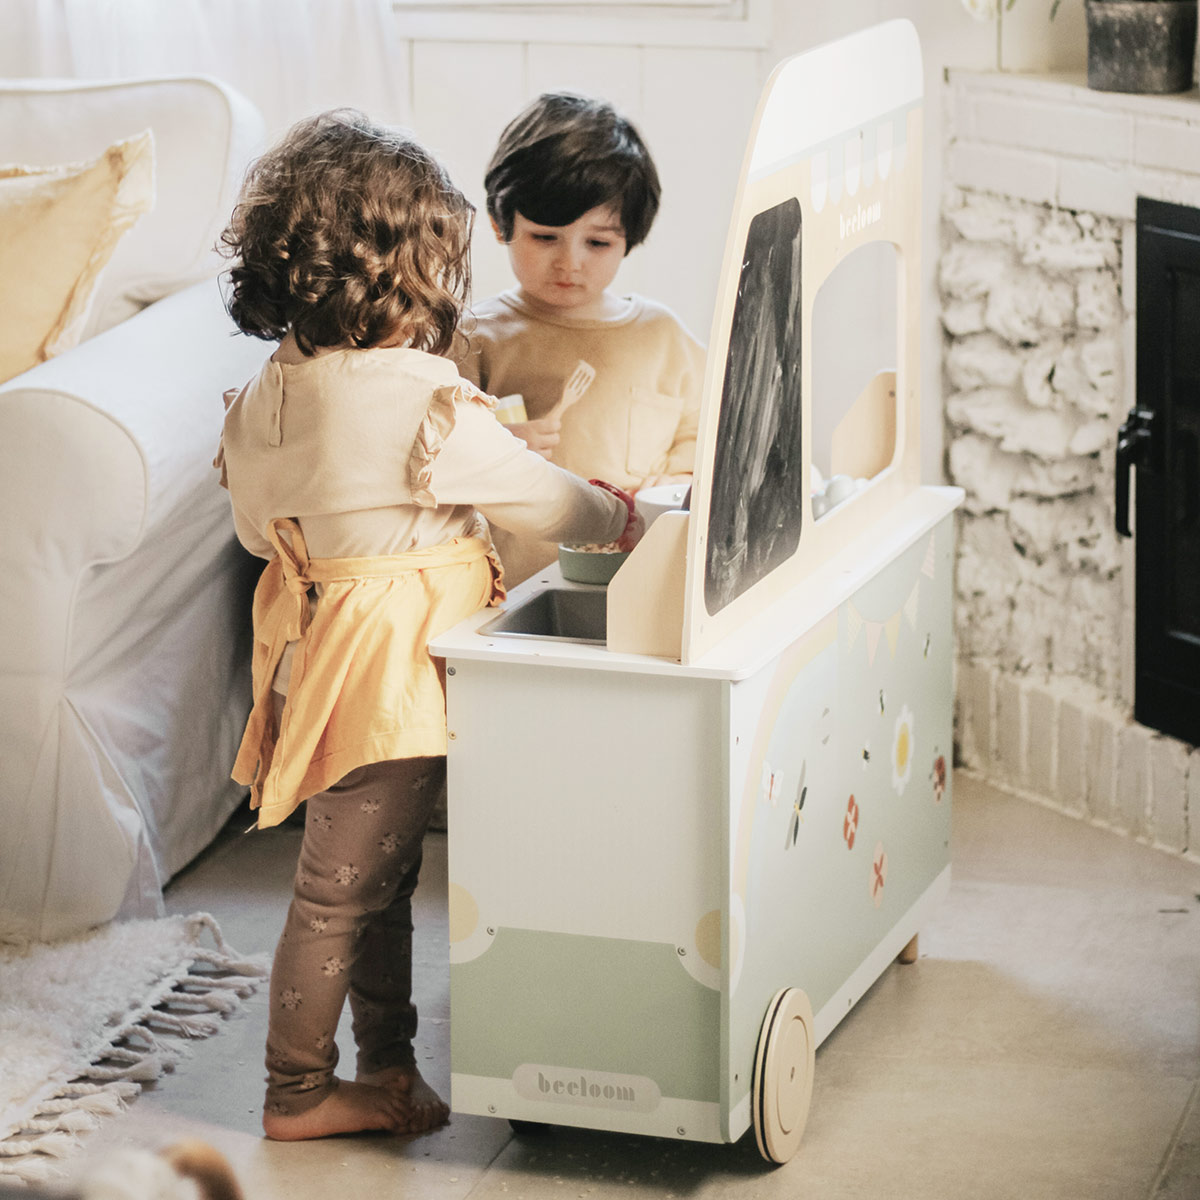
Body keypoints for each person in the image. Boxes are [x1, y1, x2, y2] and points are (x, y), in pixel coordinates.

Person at [215, 110, 641, 1143]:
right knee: (340, 894)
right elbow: (536, 498)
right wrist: (617, 515)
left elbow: (254, 522)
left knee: (374, 878)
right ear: (411, 272)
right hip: (391, 670)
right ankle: (299, 1089)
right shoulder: (420, 397)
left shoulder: (275, 386)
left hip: (314, 650)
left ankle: (387, 1066)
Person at [457, 91, 705, 584]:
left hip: (641, 580)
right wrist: (493, 448)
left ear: (629, 239)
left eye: (598, 242)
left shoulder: (661, 336)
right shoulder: (476, 336)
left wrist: (682, 477)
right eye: (545, 237)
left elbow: (707, 431)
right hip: (510, 591)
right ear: (500, 225)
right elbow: (435, 451)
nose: (570, 262)